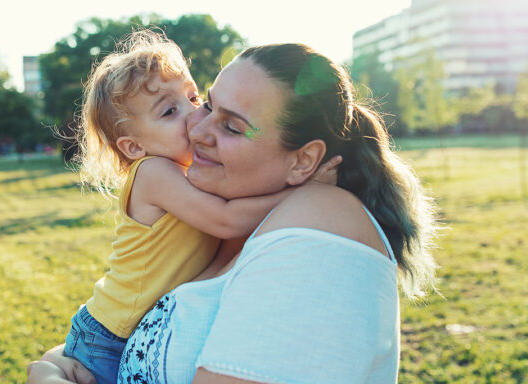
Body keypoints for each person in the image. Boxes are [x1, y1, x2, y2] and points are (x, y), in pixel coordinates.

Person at [29, 42, 437, 384]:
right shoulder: (212, 208)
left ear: (303, 161)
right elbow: (129, 322)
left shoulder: (321, 223)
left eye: (233, 127)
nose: (197, 127)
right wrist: (50, 367)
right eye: (208, 104)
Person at [58, 31, 340, 384]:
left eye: (194, 98)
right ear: (133, 147)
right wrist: (303, 189)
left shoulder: (188, 174)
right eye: (170, 111)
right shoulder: (153, 173)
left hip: (124, 328)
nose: (194, 116)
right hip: (107, 336)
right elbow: (225, 219)